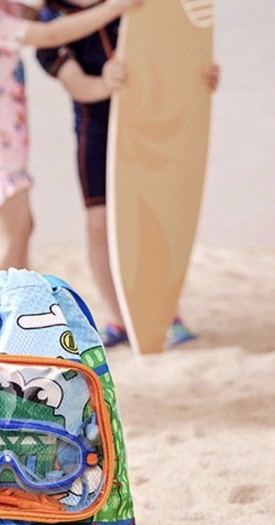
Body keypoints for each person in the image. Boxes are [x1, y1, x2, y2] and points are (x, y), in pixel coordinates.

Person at [35, 0, 219, 346]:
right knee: (99, 225)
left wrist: (199, 76)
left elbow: (173, 50)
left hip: (151, 125)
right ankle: (119, 319)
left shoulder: (134, 4)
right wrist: (105, 84)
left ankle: (167, 313)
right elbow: (78, 85)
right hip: (97, 130)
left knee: (157, 217)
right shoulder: (49, 21)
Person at [0, 0, 142, 271]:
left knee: (23, 231)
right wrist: (113, 8)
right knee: (11, 241)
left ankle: (17, 295)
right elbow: (50, 34)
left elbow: (41, 14)